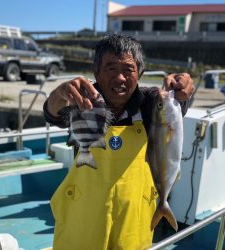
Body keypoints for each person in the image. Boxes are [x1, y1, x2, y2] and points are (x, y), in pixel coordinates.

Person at [43, 34, 194, 250]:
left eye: (128, 70)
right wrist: (58, 96)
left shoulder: (150, 102)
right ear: (96, 71)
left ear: (139, 73)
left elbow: (177, 107)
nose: (120, 78)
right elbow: (53, 115)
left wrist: (184, 89)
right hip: (82, 220)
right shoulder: (82, 100)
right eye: (111, 68)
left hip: (134, 220)